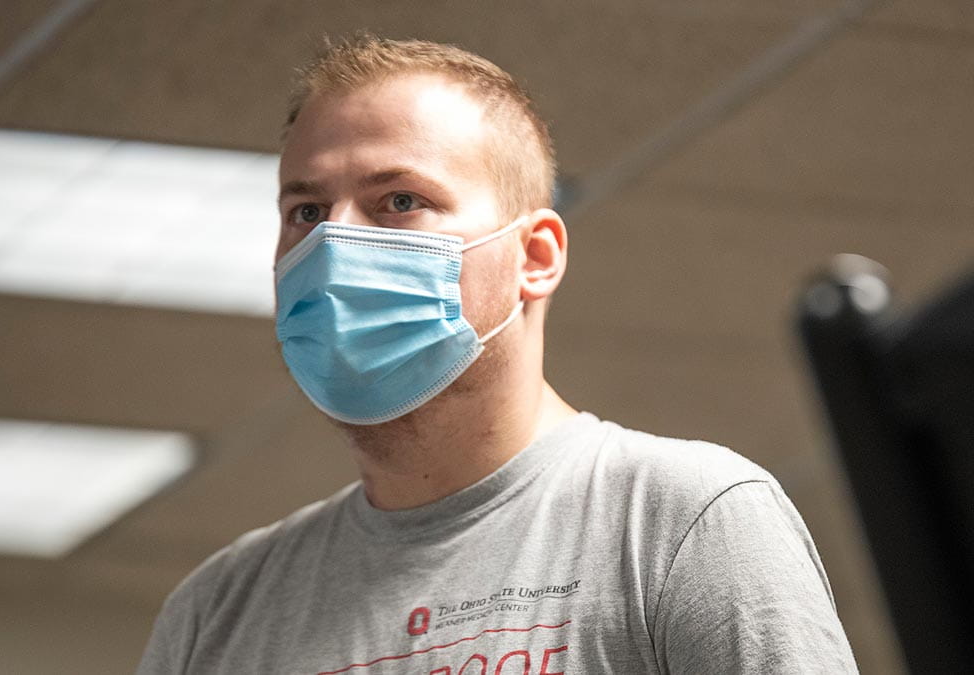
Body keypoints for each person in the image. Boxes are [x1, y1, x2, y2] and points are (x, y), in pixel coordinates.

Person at [138, 34, 858, 674]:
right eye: (306, 211)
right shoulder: (214, 615)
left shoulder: (683, 522)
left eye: (398, 200)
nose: (334, 246)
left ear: (534, 256)